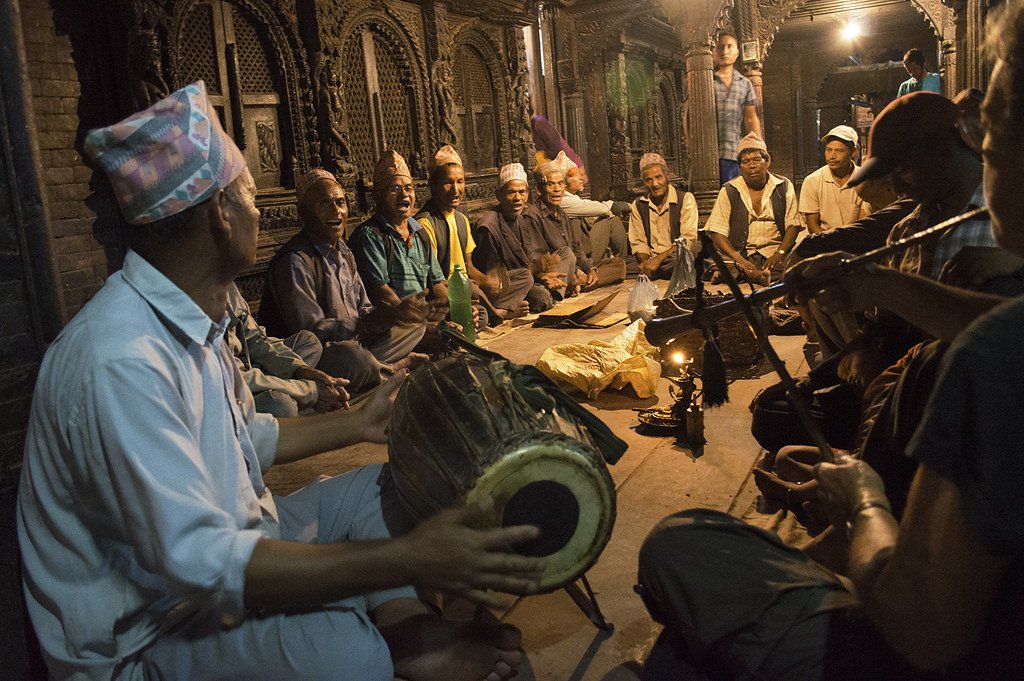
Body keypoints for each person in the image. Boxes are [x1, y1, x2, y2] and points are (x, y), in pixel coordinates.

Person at [17, 81, 542, 681]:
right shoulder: (121, 359)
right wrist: (409, 557)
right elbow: (208, 566)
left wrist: (358, 422)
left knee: (388, 488)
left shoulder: (193, 315)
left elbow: (245, 436)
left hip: (235, 539)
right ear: (219, 215)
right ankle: (388, 642)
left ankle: (408, 630)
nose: (260, 210)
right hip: (153, 629)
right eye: (248, 194)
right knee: (344, 648)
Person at [636, 6, 1024, 675]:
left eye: (988, 137)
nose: (977, 144)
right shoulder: (941, 255)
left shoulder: (994, 349)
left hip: (914, 647)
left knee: (676, 547)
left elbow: (925, 628)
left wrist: (862, 504)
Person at [259, 168, 428, 394]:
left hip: (357, 342)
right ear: (302, 214)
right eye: (324, 204)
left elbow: (364, 308)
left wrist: (388, 317)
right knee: (353, 358)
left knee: (414, 327)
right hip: (319, 358)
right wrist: (361, 324)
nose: (336, 211)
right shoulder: (295, 261)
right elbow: (311, 333)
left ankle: (372, 370)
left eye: (340, 202)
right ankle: (390, 368)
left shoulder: (344, 252)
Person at [349, 151, 452, 352]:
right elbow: (384, 296)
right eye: (394, 188)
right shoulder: (370, 235)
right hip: (394, 320)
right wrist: (423, 326)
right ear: (377, 196)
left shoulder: (420, 232)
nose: (404, 195)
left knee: (474, 315)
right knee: (438, 335)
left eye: (408, 188)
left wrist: (457, 309)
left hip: (424, 313)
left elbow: (437, 283)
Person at [226, 282, 348, 417]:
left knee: (308, 342)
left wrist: (299, 370)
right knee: (281, 405)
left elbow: (255, 339)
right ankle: (299, 399)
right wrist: (310, 390)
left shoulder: (226, 283)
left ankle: (293, 392)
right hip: (232, 386)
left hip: (250, 366)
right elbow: (233, 378)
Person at [705, 133, 801, 284]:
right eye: (746, 161)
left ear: (768, 161)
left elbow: (793, 225)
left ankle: (743, 275)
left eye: (757, 160)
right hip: (741, 254)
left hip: (774, 253)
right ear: (740, 167)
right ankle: (756, 275)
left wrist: (780, 253)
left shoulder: (783, 185)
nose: (752, 166)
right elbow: (717, 232)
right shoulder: (730, 189)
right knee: (707, 255)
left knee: (800, 264)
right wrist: (738, 258)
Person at [414, 144, 489, 330]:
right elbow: (432, 281)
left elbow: (468, 267)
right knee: (478, 308)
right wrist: (461, 302)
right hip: (443, 292)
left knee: (520, 278)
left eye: (460, 181)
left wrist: (489, 282)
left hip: (464, 285)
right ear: (433, 185)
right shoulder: (425, 223)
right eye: (448, 182)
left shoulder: (461, 219)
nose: (455, 189)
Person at [472, 163, 563, 313]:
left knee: (563, 258)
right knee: (539, 294)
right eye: (511, 192)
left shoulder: (521, 219)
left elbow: (528, 260)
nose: (517, 198)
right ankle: (502, 310)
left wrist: (541, 274)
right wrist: (534, 270)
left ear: (527, 195)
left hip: (524, 279)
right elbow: (492, 278)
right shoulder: (488, 227)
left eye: (522, 192)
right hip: (503, 287)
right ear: (498, 195)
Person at [527, 159, 596, 296]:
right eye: (550, 184)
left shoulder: (561, 213)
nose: (557, 189)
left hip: (571, 266)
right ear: (539, 189)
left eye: (560, 183)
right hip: (551, 274)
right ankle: (568, 286)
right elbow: (542, 259)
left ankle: (578, 283)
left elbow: (576, 247)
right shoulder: (533, 216)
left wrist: (590, 269)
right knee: (567, 253)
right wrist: (573, 272)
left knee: (617, 267)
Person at [627, 152, 698, 280]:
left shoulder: (685, 199)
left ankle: (656, 272)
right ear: (644, 183)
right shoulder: (638, 204)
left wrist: (658, 260)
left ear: (667, 177)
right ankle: (653, 272)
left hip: (674, 256)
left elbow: (687, 239)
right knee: (621, 265)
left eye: (658, 177)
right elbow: (638, 242)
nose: (655, 184)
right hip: (650, 259)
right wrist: (646, 264)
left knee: (684, 259)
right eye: (649, 180)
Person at [552, 151, 629, 260]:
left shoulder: (571, 198)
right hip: (578, 256)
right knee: (610, 219)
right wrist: (627, 206)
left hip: (579, 247)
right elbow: (604, 209)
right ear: (563, 183)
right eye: (575, 175)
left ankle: (622, 260)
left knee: (610, 217)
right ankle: (623, 260)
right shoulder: (563, 200)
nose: (581, 178)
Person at [799, 124, 872, 234]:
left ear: (853, 151)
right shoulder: (813, 181)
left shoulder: (864, 179)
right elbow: (813, 226)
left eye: (839, 150)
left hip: (857, 239)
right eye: (829, 150)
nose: (832, 156)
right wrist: (833, 241)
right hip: (825, 240)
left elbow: (866, 221)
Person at [713, 33, 762, 184]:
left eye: (729, 47)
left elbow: (750, 118)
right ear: (714, 52)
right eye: (720, 47)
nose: (725, 51)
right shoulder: (707, 81)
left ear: (737, 52)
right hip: (710, 156)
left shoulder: (744, 83)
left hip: (734, 153)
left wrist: (759, 147)